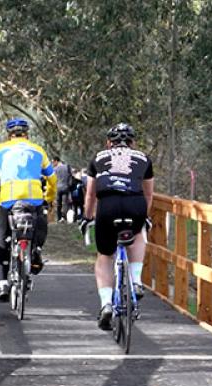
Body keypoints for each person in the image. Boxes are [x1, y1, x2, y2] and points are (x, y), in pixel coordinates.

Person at [82, 123, 154, 331]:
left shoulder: (98, 158)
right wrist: (145, 217)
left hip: (108, 205)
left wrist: (87, 217)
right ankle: (137, 280)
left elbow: (90, 194)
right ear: (133, 143)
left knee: (105, 256)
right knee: (139, 232)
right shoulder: (143, 158)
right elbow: (148, 194)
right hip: (135, 204)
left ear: (108, 143)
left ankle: (106, 304)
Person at [0, 117, 57, 302]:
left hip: (8, 200)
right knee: (40, 227)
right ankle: (36, 251)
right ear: (27, 134)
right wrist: (48, 198)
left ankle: (2, 283)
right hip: (33, 199)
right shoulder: (38, 150)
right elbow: (52, 178)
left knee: (3, 239)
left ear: (9, 135)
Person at [52, 156, 72, 222]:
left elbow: (53, 179)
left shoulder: (54, 169)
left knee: (58, 204)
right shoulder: (67, 166)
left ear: (56, 161)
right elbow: (70, 176)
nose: (52, 164)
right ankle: (65, 217)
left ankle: (59, 218)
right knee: (65, 203)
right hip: (65, 187)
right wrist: (69, 185)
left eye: (53, 162)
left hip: (57, 188)